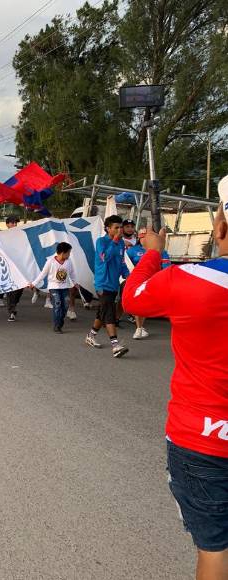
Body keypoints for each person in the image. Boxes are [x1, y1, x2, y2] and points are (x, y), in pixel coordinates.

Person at [122, 176, 228, 580]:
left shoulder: (192, 281)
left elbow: (135, 297)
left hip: (203, 441)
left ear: (220, 228)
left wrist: (153, 253)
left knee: (215, 549)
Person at [85, 215, 130, 357]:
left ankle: (91, 336)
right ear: (108, 228)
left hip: (113, 283)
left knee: (102, 311)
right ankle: (115, 345)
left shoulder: (121, 244)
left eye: (120, 227)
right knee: (109, 312)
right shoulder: (101, 242)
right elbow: (105, 258)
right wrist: (115, 241)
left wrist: (128, 275)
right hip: (102, 283)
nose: (119, 230)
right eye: (116, 227)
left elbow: (122, 262)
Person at [125, 240, 171, 339]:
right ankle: (139, 328)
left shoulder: (161, 252)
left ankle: (140, 327)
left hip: (153, 280)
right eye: (141, 236)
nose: (143, 239)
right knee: (138, 301)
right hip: (138, 280)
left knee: (146, 303)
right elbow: (125, 264)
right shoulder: (132, 250)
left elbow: (166, 266)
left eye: (145, 235)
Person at [30, 242, 78, 332]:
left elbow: (72, 273)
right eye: (68, 253)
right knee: (57, 303)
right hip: (54, 287)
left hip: (65, 287)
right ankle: (57, 325)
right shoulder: (51, 261)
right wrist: (34, 283)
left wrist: (75, 283)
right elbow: (43, 273)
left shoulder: (69, 262)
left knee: (66, 305)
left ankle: (60, 321)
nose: (69, 255)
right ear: (63, 253)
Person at [3, 216, 25, 319]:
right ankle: (12, 310)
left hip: (20, 266)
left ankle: (14, 304)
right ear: (7, 224)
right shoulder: (2, 236)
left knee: (20, 288)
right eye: (12, 223)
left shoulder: (21, 236)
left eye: (16, 223)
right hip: (8, 267)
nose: (15, 225)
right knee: (11, 289)